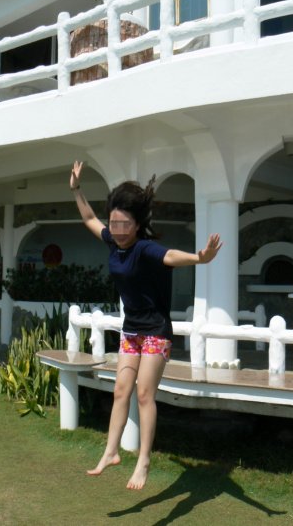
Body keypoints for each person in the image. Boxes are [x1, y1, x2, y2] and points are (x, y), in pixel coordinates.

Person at [70, 160, 222, 490]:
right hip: (131, 331)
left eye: (124, 224)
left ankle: (143, 460)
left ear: (137, 225)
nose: (118, 229)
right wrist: (76, 189)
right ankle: (111, 452)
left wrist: (199, 258)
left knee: (143, 394)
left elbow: (171, 256)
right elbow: (89, 219)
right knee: (120, 390)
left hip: (155, 332)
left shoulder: (145, 248)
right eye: (114, 223)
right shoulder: (113, 241)